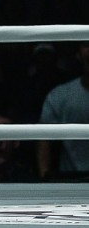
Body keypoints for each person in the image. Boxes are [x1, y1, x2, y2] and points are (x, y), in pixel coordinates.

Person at [37, 41, 89, 180]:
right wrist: (45, 179)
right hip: (72, 182)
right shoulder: (59, 96)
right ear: (78, 54)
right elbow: (45, 140)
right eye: (86, 44)